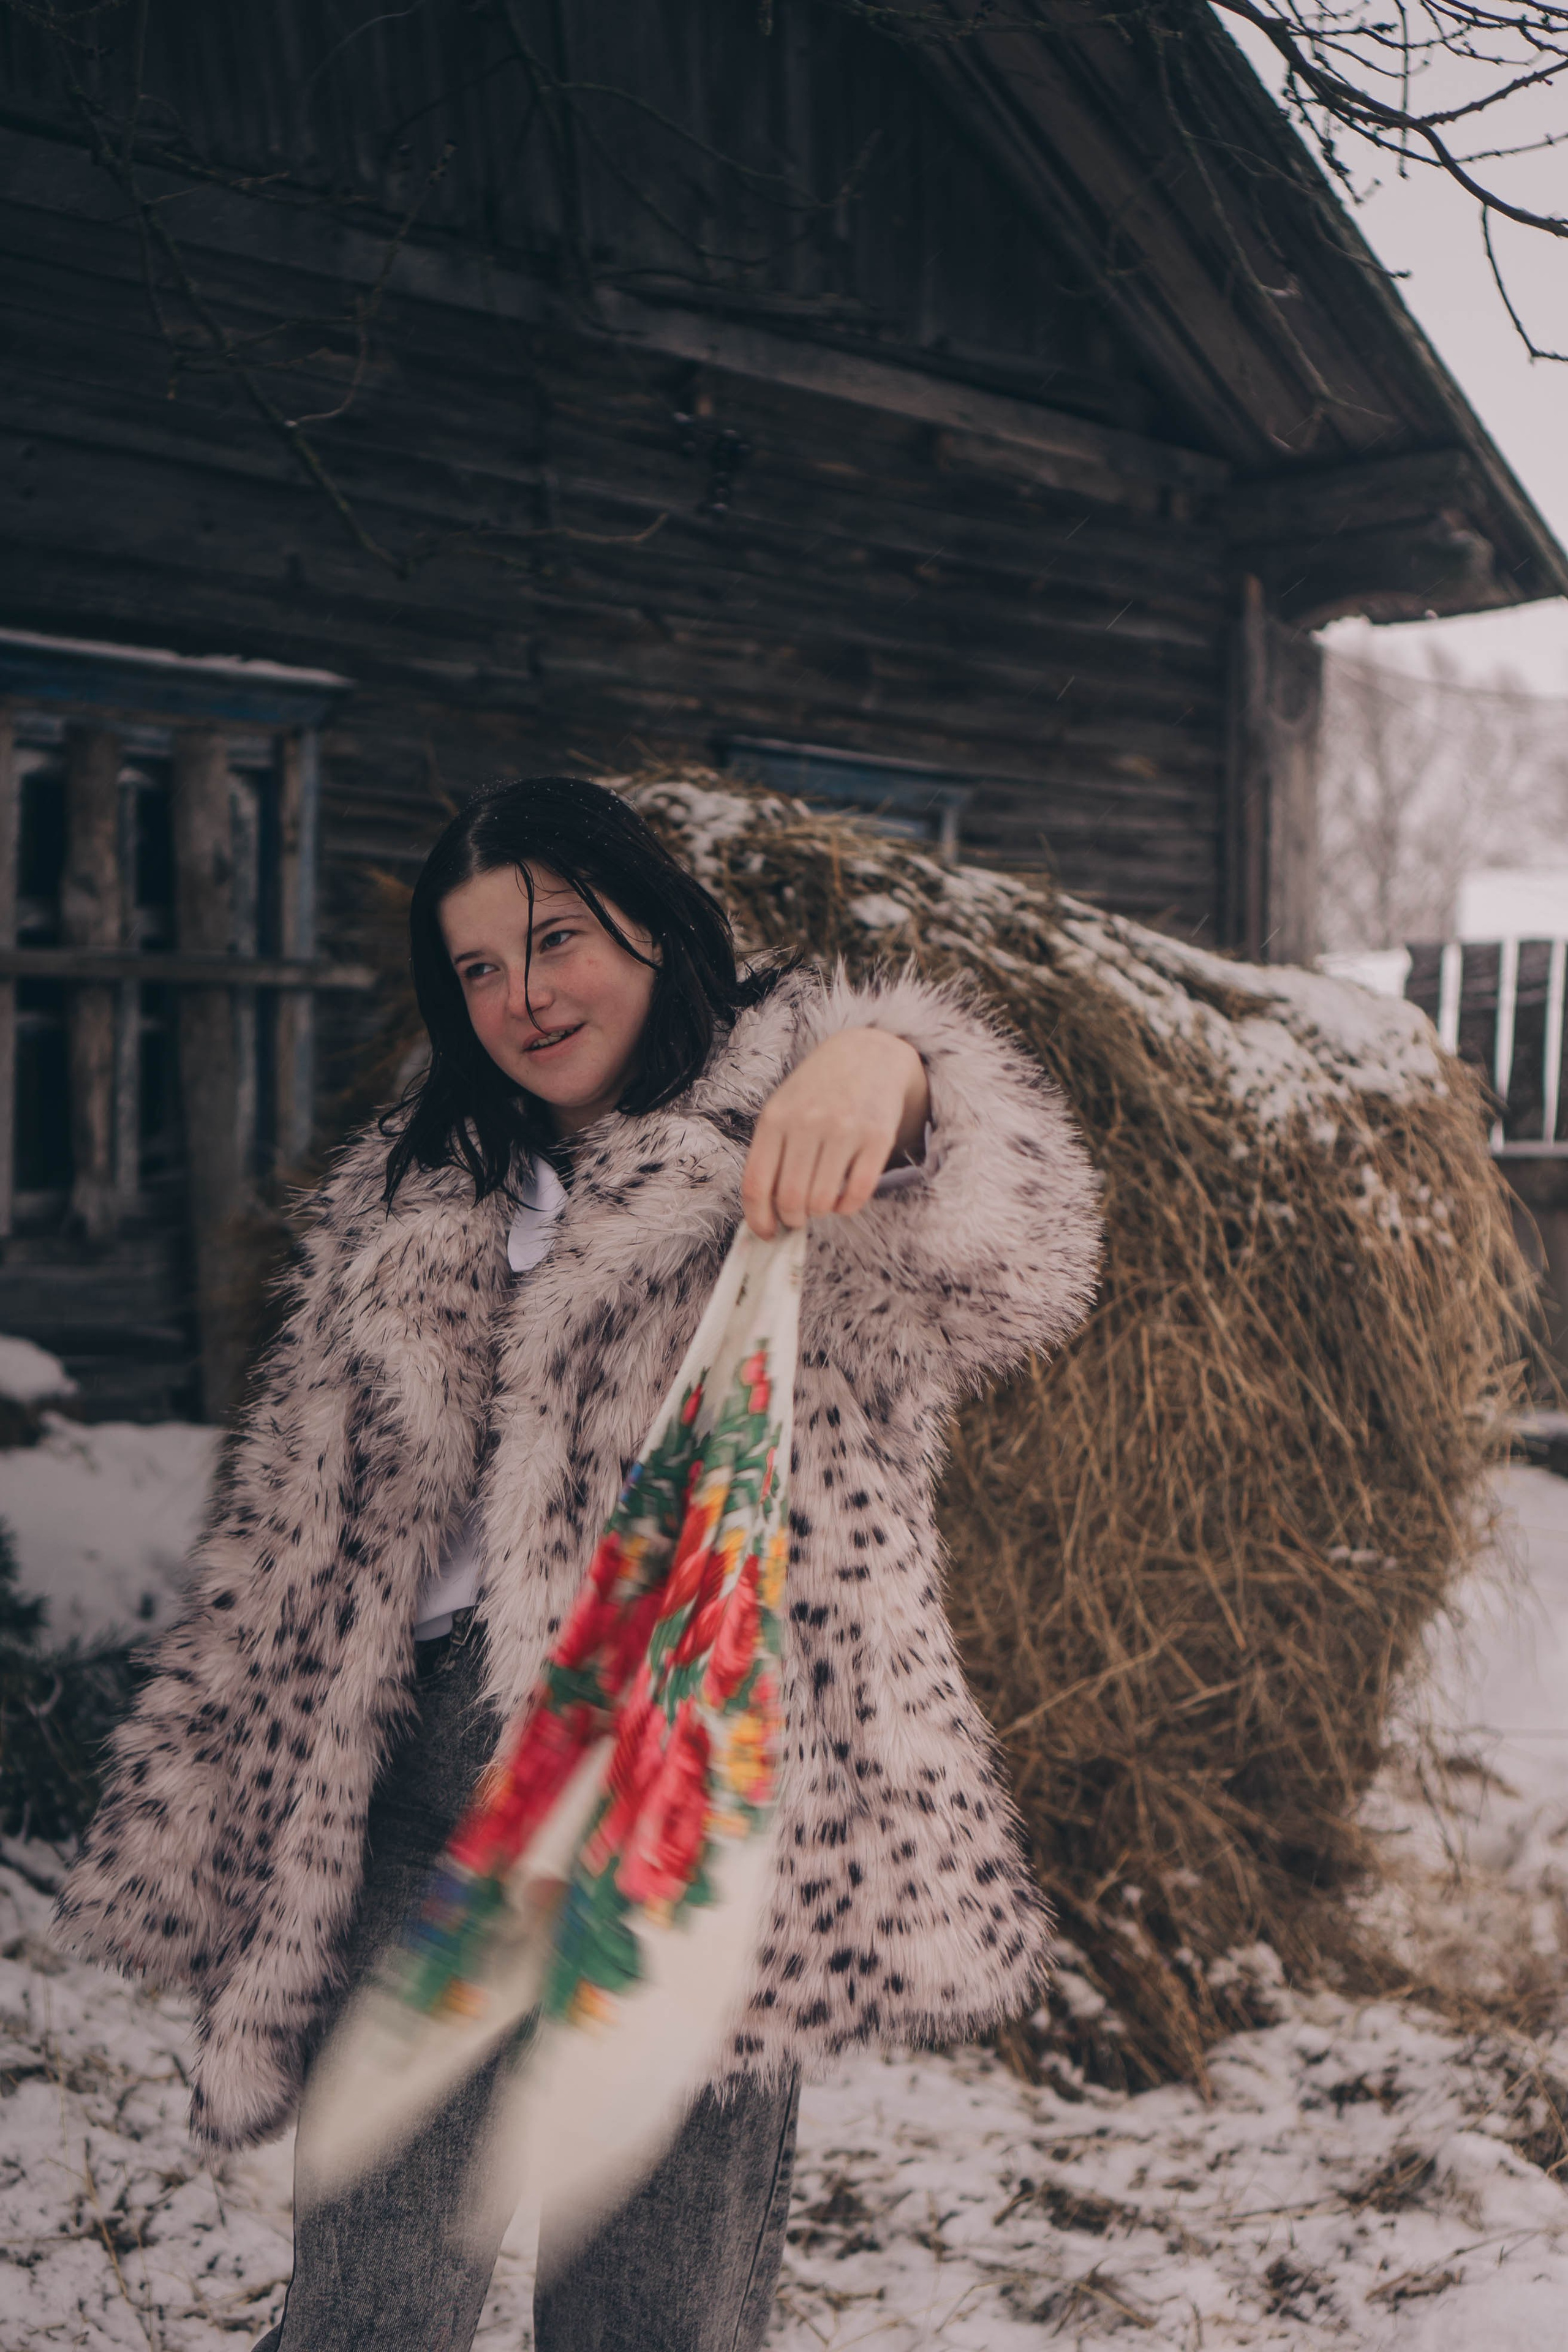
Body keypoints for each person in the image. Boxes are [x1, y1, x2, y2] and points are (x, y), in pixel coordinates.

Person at [57, 776, 1101, 2351]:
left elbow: (1011, 1257)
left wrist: (894, 1066)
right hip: (421, 1773)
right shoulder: (413, 1194)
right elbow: (294, 1532)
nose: (523, 997)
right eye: (476, 967)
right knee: (368, 2310)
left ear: (655, 924)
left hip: (688, 1784)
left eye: (556, 941)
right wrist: (224, 1789)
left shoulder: (784, 1137)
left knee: (653, 2318)